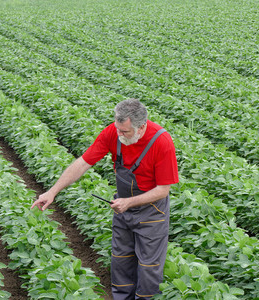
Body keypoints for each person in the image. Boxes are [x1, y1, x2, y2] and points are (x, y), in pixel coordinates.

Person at [31, 98, 179, 299]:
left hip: (152, 213)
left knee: (148, 268)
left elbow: (163, 190)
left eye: (125, 131)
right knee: (121, 261)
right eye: (118, 129)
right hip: (123, 209)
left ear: (141, 126)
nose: (119, 135)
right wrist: (52, 191)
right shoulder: (113, 132)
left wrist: (129, 202)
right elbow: (83, 163)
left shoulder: (161, 141)